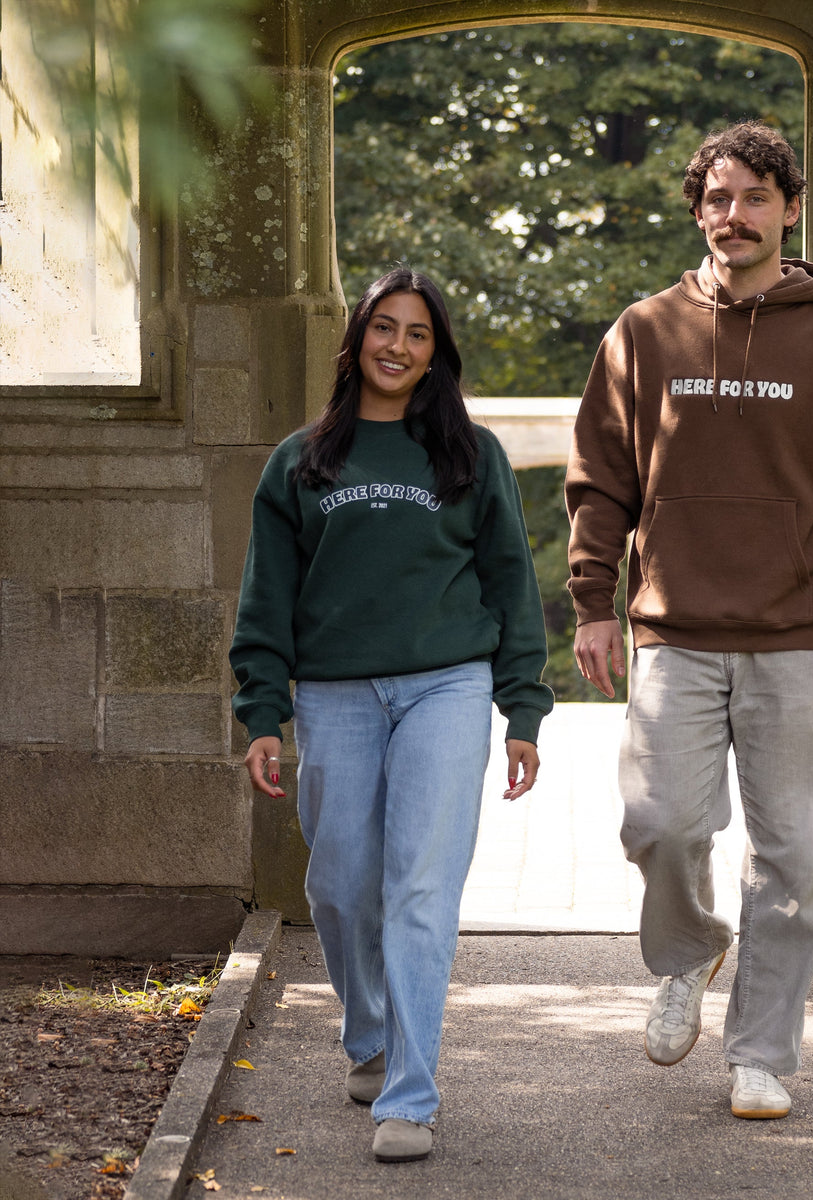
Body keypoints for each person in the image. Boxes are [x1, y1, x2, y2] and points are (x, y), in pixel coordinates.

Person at [566, 121, 813, 1120]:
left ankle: (762, 1053)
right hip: (674, 630)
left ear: (789, 209)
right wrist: (594, 602)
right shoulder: (644, 331)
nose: (735, 215)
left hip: (801, 637)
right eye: (718, 199)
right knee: (660, 824)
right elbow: (600, 481)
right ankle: (689, 951)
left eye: (756, 197)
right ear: (698, 211)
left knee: (795, 858)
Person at [229, 265, 553, 1162]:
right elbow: (266, 600)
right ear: (358, 338)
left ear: (436, 353)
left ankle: (410, 1093)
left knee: (420, 887)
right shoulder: (301, 461)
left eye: (417, 334)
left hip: (447, 685)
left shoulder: (468, 455)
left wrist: (522, 707)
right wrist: (261, 710)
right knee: (339, 884)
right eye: (385, 328)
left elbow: (511, 583)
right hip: (333, 694)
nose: (398, 347)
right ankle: (368, 1032)